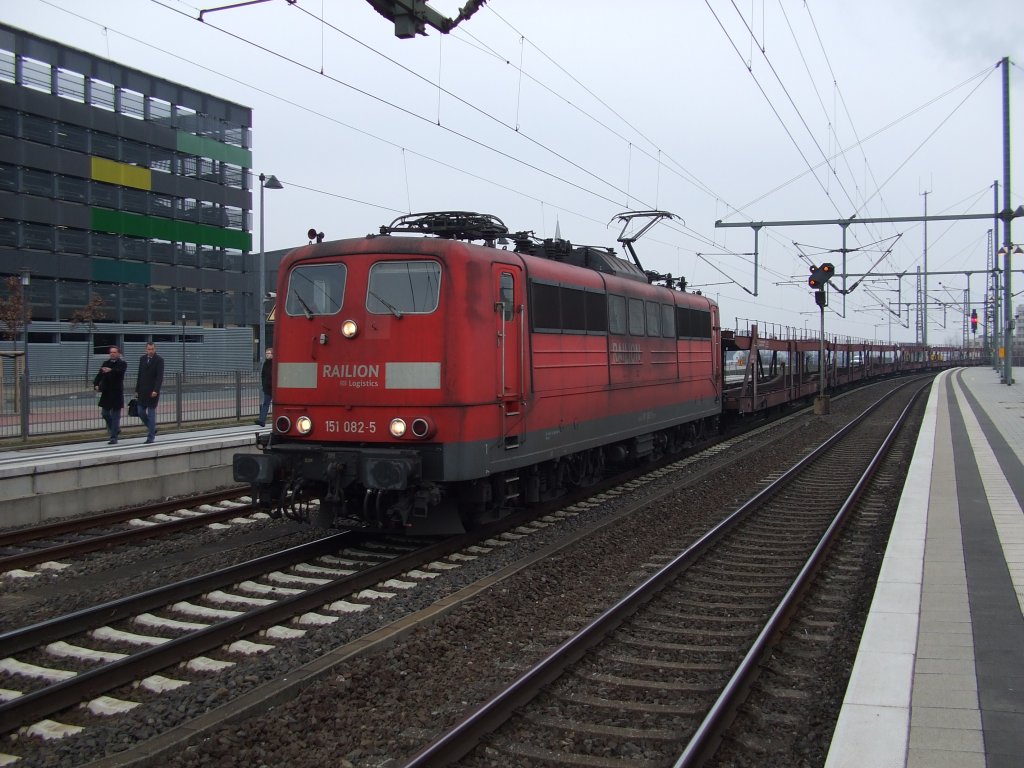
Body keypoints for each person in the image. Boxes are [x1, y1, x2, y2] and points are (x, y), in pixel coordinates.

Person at [93, 346, 127, 444]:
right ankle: (115, 429)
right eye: (111, 352)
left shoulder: (122, 364)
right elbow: (99, 375)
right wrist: (96, 384)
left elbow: (120, 372)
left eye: (115, 352)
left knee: (116, 416)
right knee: (105, 413)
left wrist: (111, 370)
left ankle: (113, 437)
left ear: (119, 353)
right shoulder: (105, 363)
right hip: (107, 393)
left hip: (116, 393)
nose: (112, 354)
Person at [134, 342, 164, 444]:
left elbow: (159, 377)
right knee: (140, 412)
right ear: (146, 350)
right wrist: (137, 389)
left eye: (152, 349)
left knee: (151, 414)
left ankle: (150, 437)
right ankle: (152, 428)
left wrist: (156, 390)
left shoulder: (159, 360)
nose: (150, 351)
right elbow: (140, 374)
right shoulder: (142, 359)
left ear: (155, 349)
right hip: (142, 391)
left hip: (152, 392)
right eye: (148, 349)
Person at [256, 346, 273, 427]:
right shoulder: (266, 363)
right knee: (265, 404)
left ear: (272, 354)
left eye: (268, 353)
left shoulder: (274, 363)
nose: (267, 355)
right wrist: (264, 385)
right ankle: (262, 420)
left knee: (275, 404)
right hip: (267, 388)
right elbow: (263, 375)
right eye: (266, 353)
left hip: (274, 389)